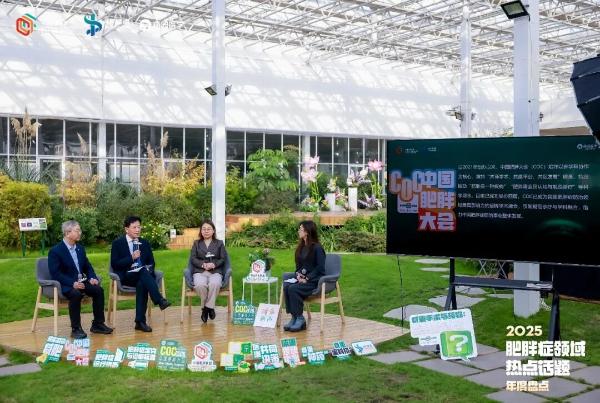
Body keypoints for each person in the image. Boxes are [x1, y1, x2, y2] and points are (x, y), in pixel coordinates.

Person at [48, 221, 113, 339]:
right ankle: (76, 328)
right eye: (77, 230)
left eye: (80, 230)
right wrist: (72, 283)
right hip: (66, 284)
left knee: (98, 290)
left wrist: (92, 277)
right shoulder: (55, 251)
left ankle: (98, 324)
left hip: (81, 281)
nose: (80, 233)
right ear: (68, 233)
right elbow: (56, 274)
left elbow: (87, 266)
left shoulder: (80, 249)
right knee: (75, 293)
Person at [110, 216, 171, 332]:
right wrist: (132, 257)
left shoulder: (145, 243)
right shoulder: (118, 243)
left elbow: (151, 262)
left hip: (143, 276)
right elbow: (115, 264)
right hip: (127, 276)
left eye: (139, 227)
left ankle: (140, 322)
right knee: (142, 272)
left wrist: (149, 270)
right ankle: (159, 300)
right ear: (126, 229)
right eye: (134, 227)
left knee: (142, 282)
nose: (137, 230)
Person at [283, 220, 326, 332]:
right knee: (287, 286)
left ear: (306, 232)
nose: (299, 231)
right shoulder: (301, 247)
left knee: (293, 289)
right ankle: (294, 317)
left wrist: (307, 278)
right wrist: (298, 274)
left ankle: (300, 319)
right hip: (303, 279)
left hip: (315, 281)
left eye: (300, 229)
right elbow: (298, 266)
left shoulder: (317, 248)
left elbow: (320, 268)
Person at [189, 220, 227, 323]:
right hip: (200, 271)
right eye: (204, 229)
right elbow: (193, 259)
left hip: (215, 271)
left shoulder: (219, 243)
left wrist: (213, 264)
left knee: (215, 284)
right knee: (200, 285)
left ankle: (206, 309)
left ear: (213, 231)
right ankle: (210, 307)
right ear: (201, 231)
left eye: (209, 229)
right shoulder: (196, 243)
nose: (206, 231)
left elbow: (223, 259)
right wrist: (203, 264)